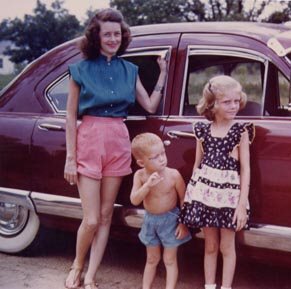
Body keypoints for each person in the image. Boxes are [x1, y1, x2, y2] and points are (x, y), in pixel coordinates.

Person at [63, 8, 167, 289]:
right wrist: (70, 158)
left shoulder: (129, 70)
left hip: (118, 140)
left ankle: (92, 275)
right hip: (89, 139)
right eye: (107, 34)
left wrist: (162, 73)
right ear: (95, 37)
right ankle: (77, 265)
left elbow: (149, 105)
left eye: (117, 34)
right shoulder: (80, 70)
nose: (113, 39)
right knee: (92, 218)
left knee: (107, 216)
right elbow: (71, 117)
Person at [179, 75, 255, 289]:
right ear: (213, 104)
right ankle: (209, 285)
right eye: (227, 101)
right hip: (205, 197)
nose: (234, 106)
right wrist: (190, 199)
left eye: (236, 100)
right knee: (210, 245)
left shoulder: (240, 131)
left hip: (229, 198)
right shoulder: (202, 130)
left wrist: (242, 205)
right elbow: (197, 166)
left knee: (226, 246)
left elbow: (245, 169)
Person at [130, 133, 191, 289]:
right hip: (150, 221)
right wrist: (147, 186)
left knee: (170, 259)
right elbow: (135, 200)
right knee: (151, 259)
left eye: (163, 153)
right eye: (155, 157)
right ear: (141, 162)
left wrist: (183, 224)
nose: (162, 158)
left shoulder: (173, 175)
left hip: (170, 220)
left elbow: (184, 200)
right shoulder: (140, 176)